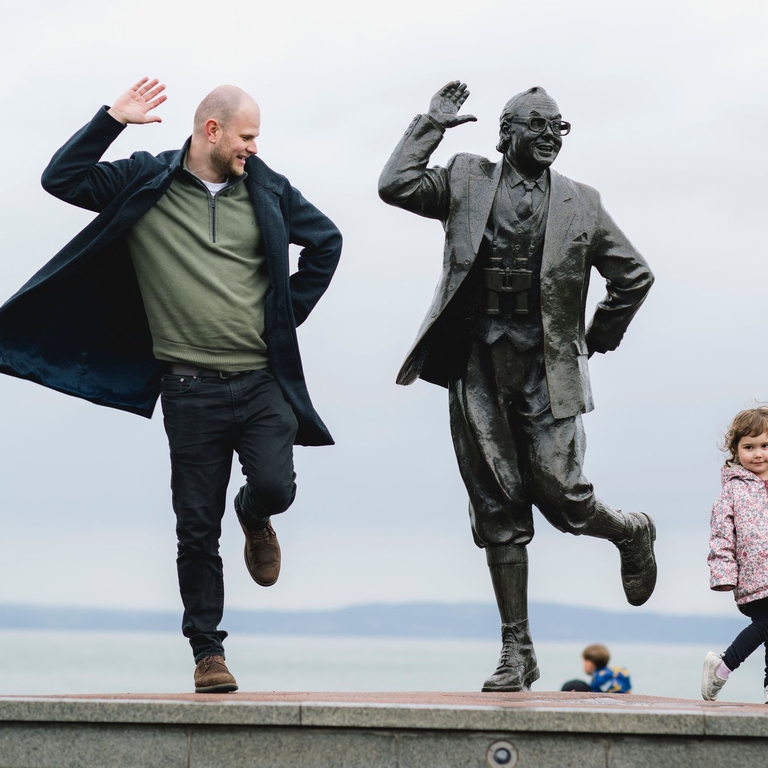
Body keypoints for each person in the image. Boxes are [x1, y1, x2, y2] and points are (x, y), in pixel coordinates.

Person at [0, 78, 342, 692]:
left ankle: (256, 514)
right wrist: (112, 119)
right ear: (212, 130)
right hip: (189, 389)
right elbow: (63, 179)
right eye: (247, 136)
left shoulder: (266, 188)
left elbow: (326, 242)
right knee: (194, 526)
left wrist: (286, 312)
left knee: (274, 484)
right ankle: (208, 652)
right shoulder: (143, 179)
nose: (254, 148)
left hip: (262, 380)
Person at [378, 81, 657, 692]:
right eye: (538, 126)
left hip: (546, 366)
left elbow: (633, 275)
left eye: (559, 127)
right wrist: (431, 124)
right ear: (506, 133)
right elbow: (395, 185)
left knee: (564, 497)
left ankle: (630, 530)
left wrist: (598, 337)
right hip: (477, 361)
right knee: (497, 507)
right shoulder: (467, 180)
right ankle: (517, 648)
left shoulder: (581, 202)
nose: (551, 137)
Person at [703, 407, 768, 703]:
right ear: (736, 450)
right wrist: (724, 575)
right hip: (754, 578)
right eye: (749, 447)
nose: (758, 454)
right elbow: (721, 536)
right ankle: (724, 665)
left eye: (765, 446)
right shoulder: (732, 491)